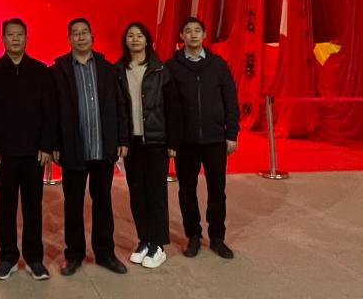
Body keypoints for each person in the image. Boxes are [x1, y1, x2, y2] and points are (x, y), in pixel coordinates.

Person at [50, 17, 129, 276]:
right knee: (73, 204)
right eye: (76, 33)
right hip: (74, 148)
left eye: (85, 32)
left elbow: (120, 106)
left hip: (103, 148)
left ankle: (105, 253)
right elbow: (51, 112)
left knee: (103, 202)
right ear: (69, 39)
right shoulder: (58, 71)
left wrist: (122, 140)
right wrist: (53, 143)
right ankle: (74, 255)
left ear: (92, 37)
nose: (81, 37)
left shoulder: (108, 69)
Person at [0, 18, 57, 281]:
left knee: (34, 207)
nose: (15, 39)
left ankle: (34, 259)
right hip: (4, 154)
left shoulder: (40, 70)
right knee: (6, 207)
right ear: (2, 39)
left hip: (35, 154)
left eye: (20, 34)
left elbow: (49, 113)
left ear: (26, 38)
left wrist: (46, 146)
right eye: (10, 35)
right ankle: (8, 258)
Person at [168, 16, 239, 260]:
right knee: (187, 190)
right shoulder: (172, 66)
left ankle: (217, 237)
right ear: (182, 36)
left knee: (217, 190)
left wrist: (231, 134)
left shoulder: (218, 65)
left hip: (214, 139)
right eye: (188, 31)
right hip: (185, 142)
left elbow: (230, 101)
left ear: (204, 35)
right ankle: (193, 235)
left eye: (197, 30)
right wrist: (172, 140)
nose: (193, 35)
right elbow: (169, 106)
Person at [115, 22, 182, 269]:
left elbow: (173, 107)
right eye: (130, 36)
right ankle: (144, 239)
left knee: (156, 194)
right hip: (132, 143)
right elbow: (117, 109)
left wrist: (173, 141)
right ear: (125, 41)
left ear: (147, 41)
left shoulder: (161, 70)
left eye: (139, 35)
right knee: (137, 194)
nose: (135, 39)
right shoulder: (118, 70)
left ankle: (158, 245)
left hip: (156, 141)